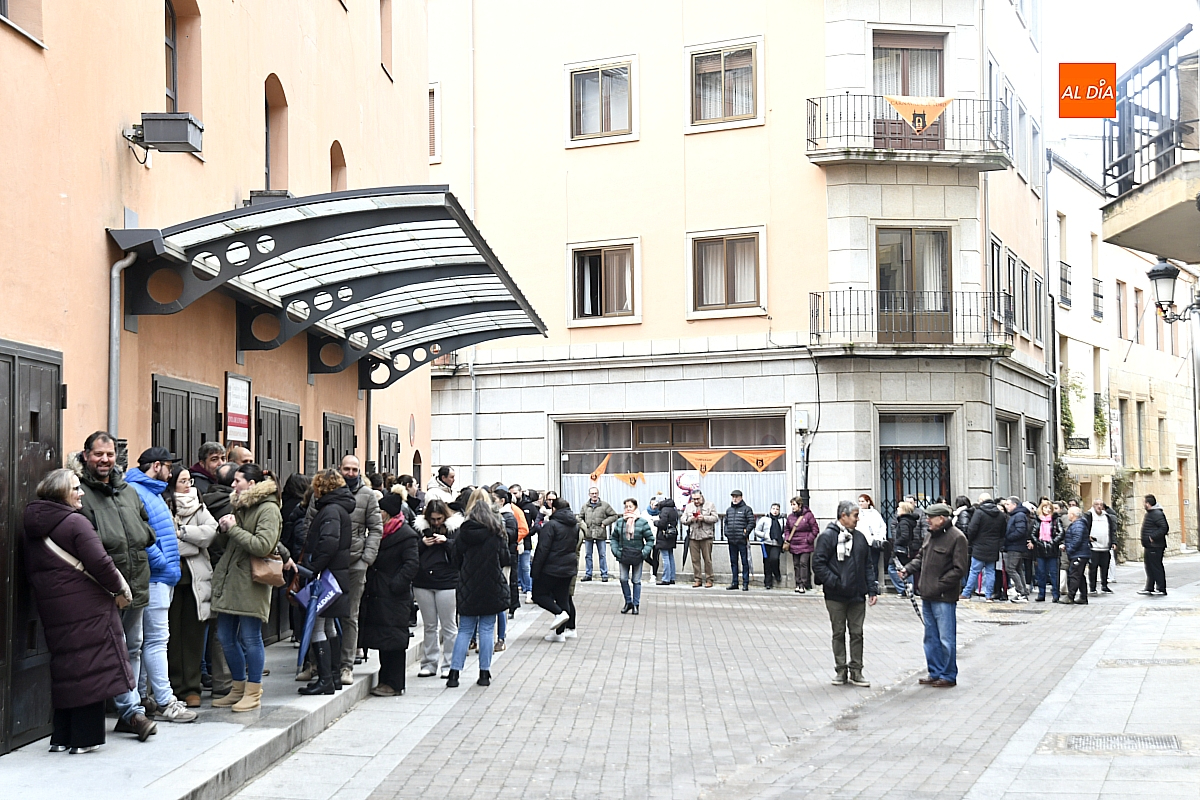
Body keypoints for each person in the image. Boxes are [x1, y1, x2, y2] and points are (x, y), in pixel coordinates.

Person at [24, 468, 134, 754]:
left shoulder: (34, 524)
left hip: (55, 607)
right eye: (75, 488)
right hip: (87, 606)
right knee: (91, 668)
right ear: (61, 492)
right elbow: (101, 563)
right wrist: (119, 589)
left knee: (67, 669)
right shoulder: (75, 522)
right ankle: (85, 739)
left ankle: (61, 737)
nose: (81, 492)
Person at [73, 431, 157, 742]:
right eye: (98, 454)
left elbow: (147, 526)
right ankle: (132, 712)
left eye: (109, 454)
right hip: (105, 587)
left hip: (136, 583)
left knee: (132, 647)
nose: (105, 460)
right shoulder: (79, 492)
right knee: (114, 648)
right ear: (86, 456)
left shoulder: (128, 491)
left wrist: (143, 535)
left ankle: (127, 711)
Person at [125, 447, 197, 723]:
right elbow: (139, 535)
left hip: (158, 577)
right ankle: (166, 701)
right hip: (154, 576)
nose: (171, 472)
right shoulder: (138, 491)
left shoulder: (149, 491)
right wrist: (163, 563)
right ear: (156, 466)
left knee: (146, 642)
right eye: (169, 466)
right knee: (155, 641)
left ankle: (145, 699)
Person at [305, 455, 383, 685]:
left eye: (354, 469)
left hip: (354, 563)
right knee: (319, 613)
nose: (350, 473)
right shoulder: (321, 495)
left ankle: (346, 666)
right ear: (340, 469)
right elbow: (310, 524)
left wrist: (366, 559)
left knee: (350, 616)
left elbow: (376, 528)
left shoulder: (367, 495)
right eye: (347, 469)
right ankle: (315, 664)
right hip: (327, 564)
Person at [211, 464, 282, 711]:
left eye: (237, 480)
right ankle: (238, 687)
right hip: (231, 580)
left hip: (252, 582)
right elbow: (228, 543)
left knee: (250, 637)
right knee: (225, 637)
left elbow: (263, 546)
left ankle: (253, 691)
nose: (233, 485)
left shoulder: (269, 509)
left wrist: (234, 529)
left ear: (251, 484)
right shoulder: (240, 505)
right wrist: (223, 529)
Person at [297, 469, 356, 695]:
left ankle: (325, 679)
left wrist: (313, 567)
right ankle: (333, 677)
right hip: (336, 574)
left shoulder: (330, 510)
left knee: (318, 626)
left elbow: (329, 543)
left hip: (326, 575)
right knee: (329, 625)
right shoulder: (339, 508)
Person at [164, 465, 217, 710]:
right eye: (183, 481)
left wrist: (182, 532)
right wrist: (193, 543)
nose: (188, 485)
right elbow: (165, 543)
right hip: (172, 580)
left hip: (197, 581)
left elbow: (210, 534)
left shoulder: (199, 505)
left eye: (189, 481)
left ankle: (193, 688)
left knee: (194, 636)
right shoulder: (164, 504)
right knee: (172, 636)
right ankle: (175, 686)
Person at [899, 503, 969, 688]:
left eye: (931, 517)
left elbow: (959, 569)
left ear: (942, 518)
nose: (927, 520)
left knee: (946, 638)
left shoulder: (957, 538)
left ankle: (948, 675)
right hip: (928, 595)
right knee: (930, 637)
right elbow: (921, 557)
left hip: (944, 597)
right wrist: (907, 569)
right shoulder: (930, 535)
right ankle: (935, 671)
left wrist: (939, 585)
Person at [446, 488, 510, 688]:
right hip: (491, 585)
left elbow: (455, 560)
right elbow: (505, 558)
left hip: (468, 585)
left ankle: (454, 674)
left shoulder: (463, 533)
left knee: (465, 629)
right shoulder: (496, 533)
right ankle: (484, 673)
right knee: (487, 629)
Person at [812, 500, 879, 687]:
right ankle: (841, 670)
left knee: (857, 633)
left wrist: (872, 589)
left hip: (857, 594)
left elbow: (867, 565)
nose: (858, 519)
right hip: (836, 596)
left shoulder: (860, 538)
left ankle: (856, 671)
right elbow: (818, 564)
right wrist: (835, 582)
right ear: (844, 516)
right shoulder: (828, 537)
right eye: (855, 515)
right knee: (838, 632)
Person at [361, 493, 419, 697]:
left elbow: (411, 564)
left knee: (394, 640)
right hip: (379, 592)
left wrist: (396, 584)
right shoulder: (380, 533)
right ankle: (384, 680)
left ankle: (394, 683)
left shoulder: (406, 535)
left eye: (380, 511)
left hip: (395, 595)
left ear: (387, 513)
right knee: (384, 638)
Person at [412, 499, 461, 678]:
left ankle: (450, 664)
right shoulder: (419, 529)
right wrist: (422, 544)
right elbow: (411, 553)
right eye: (432, 519)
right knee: (429, 625)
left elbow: (459, 554)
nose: (436, 523)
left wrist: (446, 542)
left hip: (447, 581)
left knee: (449, 625)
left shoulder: (455, 529)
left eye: (439, 519)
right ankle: (429, 663)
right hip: (423, 580)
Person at [201, 462, 238, 698]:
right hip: (228, 568)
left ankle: (216, 676)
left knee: (212, 625)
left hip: (208, 566)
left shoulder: (205, 500)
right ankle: (225, 679)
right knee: (227, 627)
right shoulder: (234, 506)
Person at [532, 497, 581, 642]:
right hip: (569, 566)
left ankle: (559, 614)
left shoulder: (551, 525)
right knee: (563, 597)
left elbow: (543, 549)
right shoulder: (574, 525)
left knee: (538, 595)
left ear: (554, 509)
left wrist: (535, 570)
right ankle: (560, 633)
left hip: (551, 567)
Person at [610, 498, 653, 614]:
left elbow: (650, 539)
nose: (628, 509)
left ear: (635, 507)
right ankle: (628, 602)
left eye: (630, 506)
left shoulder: (642, 522)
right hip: (623, 554)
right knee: (623, 578)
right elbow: (614, 538)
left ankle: (636, 604)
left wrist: (644, 553)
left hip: (637, 555)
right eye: (626, 507)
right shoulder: (620, 522)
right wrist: (616, 551)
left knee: (636, 580)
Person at [962, 493, 1006, 602]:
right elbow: (1003, 532)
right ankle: (989, 595)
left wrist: (971, 541)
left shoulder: (979, 512)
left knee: (974, 571)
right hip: (993, 547)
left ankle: (966, 593)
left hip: (979, 546)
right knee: (991, 571)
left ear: (982, 500)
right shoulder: (1000, 515)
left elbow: (972, 529)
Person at [578, 487, 618, 582]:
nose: (594, 495)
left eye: (596, 493)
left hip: (600, 533)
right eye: (592, 493)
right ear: (589, 495)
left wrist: (604, 523)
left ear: (598, 494)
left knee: (602, 555)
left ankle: (604, 574)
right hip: (588, 534)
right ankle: (588, 574)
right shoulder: (585, 506)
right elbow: (580, 517)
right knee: (588, 555)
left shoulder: (605, 505)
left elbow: (614, 515)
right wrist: (584, 525)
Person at [682, 490, 718, 588]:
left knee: (707, 559)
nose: (696, 501)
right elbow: (683, 519)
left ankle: (709, 579)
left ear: (702, 497)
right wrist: (690, 519)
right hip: (693, 536)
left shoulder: (710, 505)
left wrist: (704, 518)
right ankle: (697, 579)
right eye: (694, 499)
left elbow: (715, 518)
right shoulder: (689, 507)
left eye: (698, 499)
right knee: (695, 560)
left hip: (706, 536)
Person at [1002, 496, 1033, 603]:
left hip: (1015, 546)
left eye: (1008, 504)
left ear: (1014, 505)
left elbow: (1020, 531)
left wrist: (1008, 538)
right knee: (1018, 569)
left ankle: (1022, 593)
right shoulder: (1016, 515)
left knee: (1011, 568)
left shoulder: (1019, 515)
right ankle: (1023, 592)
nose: (1006, 506)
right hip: (1015, 546)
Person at [784, 496, 818, 594]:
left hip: (805, 544)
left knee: (803, 563)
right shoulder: (790, 517)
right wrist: (787, 538)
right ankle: (798, 583)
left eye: (794, 504)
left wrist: (809, 539)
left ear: (799, 505)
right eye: (791, 504)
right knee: (796, 564)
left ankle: (803, 584)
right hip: (794, 543)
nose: (792, 507)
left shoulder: (808, 516)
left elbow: (815, 529)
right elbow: (787, 529)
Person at [1032, 500, 1064, 602]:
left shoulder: (1055, 520)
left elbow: (1061, 532)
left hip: (1053, 550)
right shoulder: (1038, 520)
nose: (1048, 510)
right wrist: (1039, 542)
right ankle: (1041, 594)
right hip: (1040, 550)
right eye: (1045, 507)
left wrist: (1053, 542)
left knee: (1054, 573)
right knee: (1041, 573)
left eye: (1050, 508)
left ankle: (1055, 594)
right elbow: (1033, 534)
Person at [723, 490, 755, 591]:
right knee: (733, 562)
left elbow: (751, 522)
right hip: (731, 540)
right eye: (733, 497)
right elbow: (726, 523)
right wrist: (726, 533)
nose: (734, 499)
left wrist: (745, 533)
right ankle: (735, 582)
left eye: (736, 497)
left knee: (745, 562)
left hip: (742, 540)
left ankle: (745, 583)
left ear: (741, 497)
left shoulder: (747, 509)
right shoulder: (729, 510)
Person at [1084, 500, 1118, 595]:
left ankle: (1104, 585)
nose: (1099, 506)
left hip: (1105, 547)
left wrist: (1113, 542)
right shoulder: (1089, 515)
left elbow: (1111, 530)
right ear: (1093, 505)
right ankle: (1093, 587)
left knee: (1105, 567)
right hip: (1094, 547)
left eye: (1101, 505)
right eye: (1097, 504)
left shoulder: (1107, 516)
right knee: (1093, 568)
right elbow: (1084, 528)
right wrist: (1087, 537)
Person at [888, 501, 920, 596]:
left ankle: (903, 588)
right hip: (906, 548)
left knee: (892, 568)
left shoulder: (904, 522)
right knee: (905, 568)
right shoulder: (908, 521)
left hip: (901, 549)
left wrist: (896, 543)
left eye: (899, 508)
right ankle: (908, 589)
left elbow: (905, 536)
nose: (897, 509)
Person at [1139, 494, 1169, 596]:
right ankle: (1149, 587)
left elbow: (1164, 528)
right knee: (1149, 567)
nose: (1143, 504)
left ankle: (1161, 588)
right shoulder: (1151, 513)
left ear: (1148, 503)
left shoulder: (1156, 513)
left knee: (1156, 567)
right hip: (1150, 545)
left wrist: (1152, 537)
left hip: (1155, 546)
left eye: (1144, 502)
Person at [856, 494, 888, 589]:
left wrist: (880, 537)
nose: (860, 503)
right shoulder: (858, 513)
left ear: (868, 502)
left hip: (874, 543)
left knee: (874, 564)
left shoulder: (875, 513)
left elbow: (882, 526)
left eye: (863, 501)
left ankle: (874, 585)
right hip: (863, 543)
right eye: (859, 501)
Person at [752, 503, 785, 589]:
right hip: (766, 543)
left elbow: (786, 531)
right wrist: (764, 535)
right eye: (773, 509)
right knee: (767, 563)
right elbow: (757, 530)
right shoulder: (764, 519)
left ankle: (777, 573)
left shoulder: (783, 520)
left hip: (777, 543)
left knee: (774, 559)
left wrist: (782, 537)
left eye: (777, 509)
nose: (775, 511)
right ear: (770, 509)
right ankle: (768, 582)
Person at [1062, 506, 1091, 604]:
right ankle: (1083, 597)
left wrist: (1069, 549)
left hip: (1079, 554)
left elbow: (1077, 540)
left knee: (1074, 574)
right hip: (1080, 553)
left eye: (1068, 513)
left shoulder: (1078, 525)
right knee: (1079, 575)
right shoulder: (1078, 524)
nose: (1067, 515)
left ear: (1072, 515)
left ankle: (1070, 596)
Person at [653, 497, 679, 586]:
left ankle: (666, 579)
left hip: (663, 536)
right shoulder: (673, 509)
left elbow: (662, 523)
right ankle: (672, 578)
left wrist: (655, 522)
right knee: (670, 556)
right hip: (671, 535)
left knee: (665, 557)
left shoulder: (664, 510)